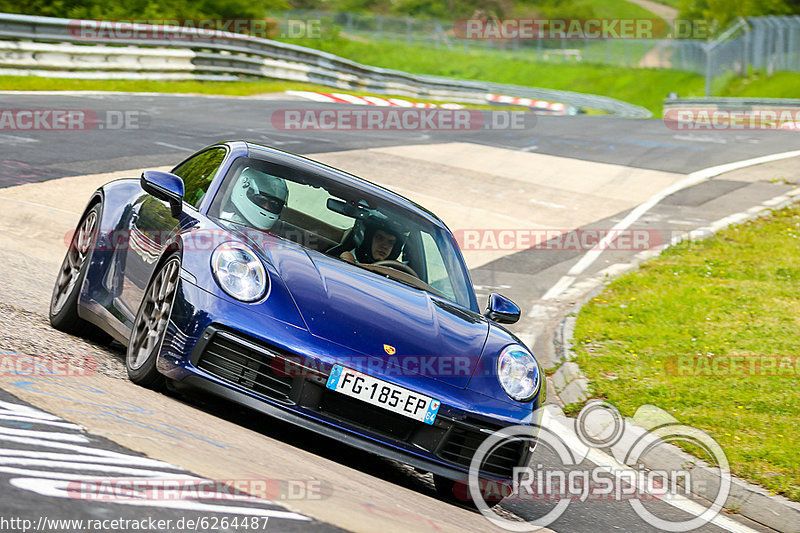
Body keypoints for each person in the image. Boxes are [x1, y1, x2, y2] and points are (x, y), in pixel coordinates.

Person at [221, 167, 288, 231]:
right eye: (261, 200)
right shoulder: (226, 228)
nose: (267, 207)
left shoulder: (280, 232)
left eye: (274, 205)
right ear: (242, 193)